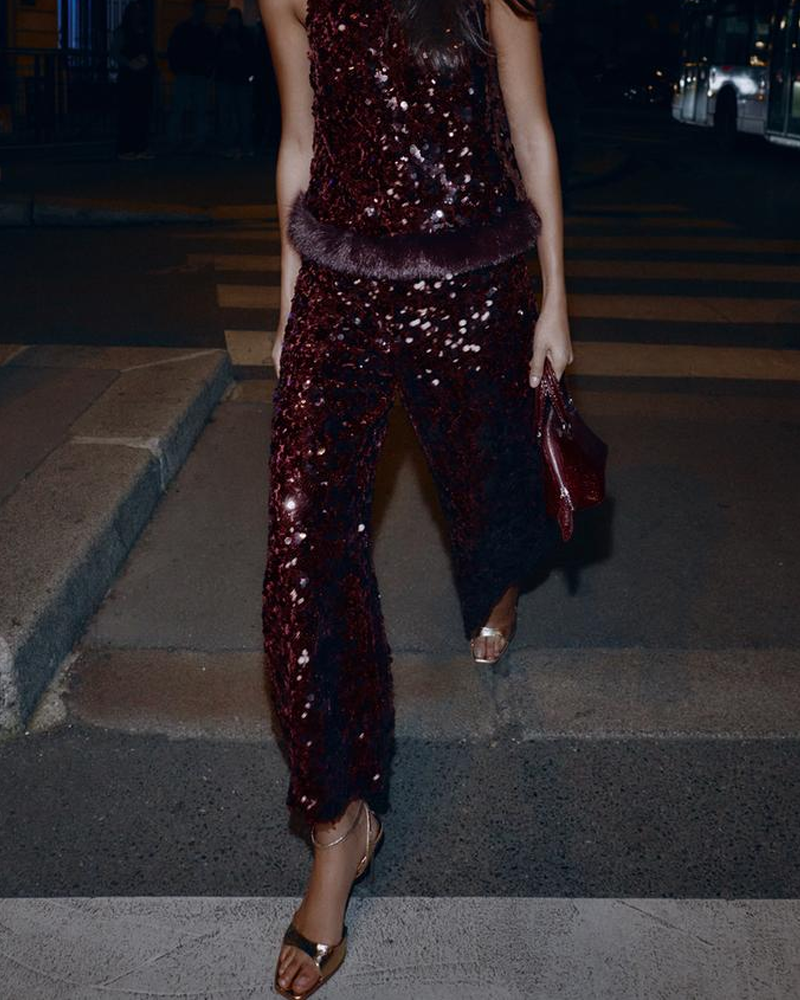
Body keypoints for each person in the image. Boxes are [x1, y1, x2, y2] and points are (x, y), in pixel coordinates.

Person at [259, 0, 571, 995]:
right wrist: (286, 304)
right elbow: (300, 140)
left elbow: (526, 128)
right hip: (339, 289)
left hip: (470, 277)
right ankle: (337, 827)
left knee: (483, 497)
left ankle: (495, 584)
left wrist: (554, 296)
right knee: (302, 551)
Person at [167, 0, 217, 152]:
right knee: (184, 109)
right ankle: (179, 140)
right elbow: (173, 49)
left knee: (192, 110)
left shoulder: (187, 29)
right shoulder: (199, 30)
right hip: (189, 74)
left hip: (195, 74)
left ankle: (185, 140)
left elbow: (213, 54)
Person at [112, 0, 155, 160]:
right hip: (129, 79)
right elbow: (115, 52)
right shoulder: (122, 31)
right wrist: (129, 63)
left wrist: (148, 64)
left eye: (140, 11)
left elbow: (150, 52)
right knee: (128, 114)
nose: (138, 14)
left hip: (143, 79)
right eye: (135, 11)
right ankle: (126, 148)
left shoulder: (144, 31)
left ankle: (140, 146)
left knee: (142, 113)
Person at [214, 6, 256, 157]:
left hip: (241, 80)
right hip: (226, 80)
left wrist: (250, 75)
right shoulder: (222, 35)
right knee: (226, 115)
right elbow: (216, 55)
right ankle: (227, 145)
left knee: (243, 116)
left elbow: (251, 56)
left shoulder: (245, 35)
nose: (233, 21)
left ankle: (244, 145)